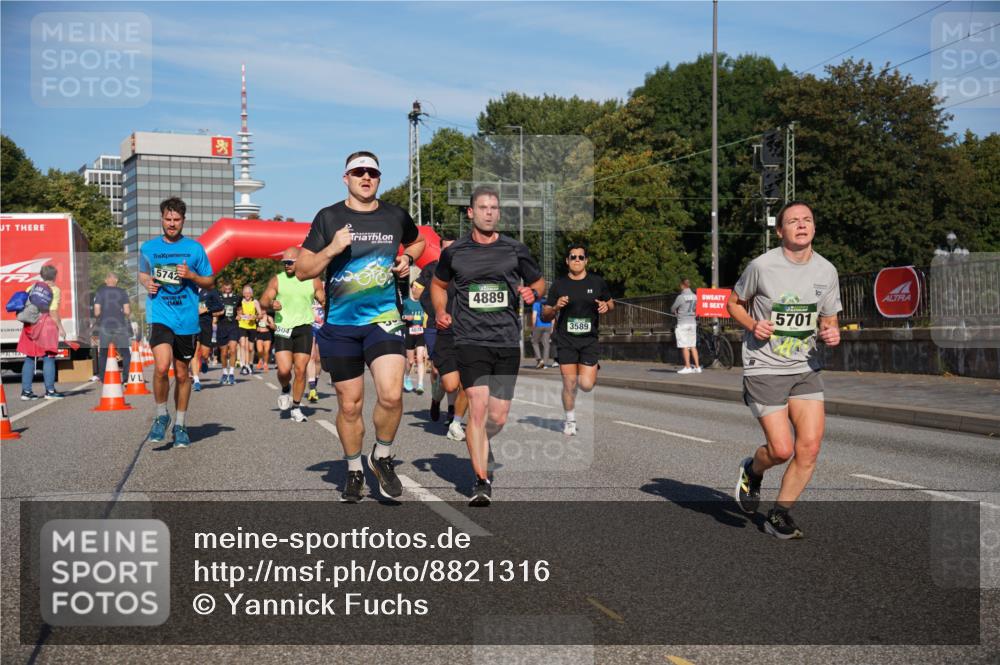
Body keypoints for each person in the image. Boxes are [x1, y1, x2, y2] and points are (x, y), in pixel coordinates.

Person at [296, 150, 425, 503]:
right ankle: (354, 469)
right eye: (358, 172)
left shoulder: (395, 215)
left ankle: (381, 457)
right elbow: (304, 269)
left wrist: (408, 258)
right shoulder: (329, 217)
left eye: (371, 172)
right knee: (350, 405)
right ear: (346, 178)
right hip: (341, 325)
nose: (365, 177)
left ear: (379, 178)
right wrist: (332, 249)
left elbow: (419, 239)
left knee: (392, 394)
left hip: (383, 320)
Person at [728, 201, 842, 539]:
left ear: (814, 228)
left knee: (810, 447)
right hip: (764, 367)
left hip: (805, 367)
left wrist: (831, 331)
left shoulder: (827, 271)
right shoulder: (761, 267)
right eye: (793, 221)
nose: (802, 225)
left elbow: (828, 317)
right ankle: (753, 469)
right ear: (780, 231)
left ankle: (779, 514)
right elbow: (733, 303)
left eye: (807, 219)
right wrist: (752, 324)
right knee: (781, 449)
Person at [432, 185, 545, 506]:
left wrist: (532, 293)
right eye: (483, 208)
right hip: (469, 340)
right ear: (471, 212)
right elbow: (439, 285)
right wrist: (441, 311)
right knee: (478, 411)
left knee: (498, 417)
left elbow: (538, 281)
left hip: (507, 341)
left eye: (494, 208)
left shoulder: (514, 249)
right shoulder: (455, 252)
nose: (489, 213)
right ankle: (481, 480)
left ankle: (483, 443)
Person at [139, 197, 214, 448]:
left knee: (182, 374)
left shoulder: (195, 249)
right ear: (161, 219)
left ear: (183, 221)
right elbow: (141, 272)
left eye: (176, 220)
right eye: (168, 219)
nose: (172, 224)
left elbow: (210, 281)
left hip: (187, 320)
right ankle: (161, 416)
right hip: (160, 315)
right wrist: (145, 282)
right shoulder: (148, 248)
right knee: (161, 367)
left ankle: (180, 424)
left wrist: (192, 275)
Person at [542, 245, 613, 437]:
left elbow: (610, 302)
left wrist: (606, 306)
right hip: (566, 340)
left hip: (589, 340)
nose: (577, 260)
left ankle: (590, 368)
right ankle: (570, 420)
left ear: (586, 260)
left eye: (581, 257)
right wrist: (555, 306)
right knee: (569, 384)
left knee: (587, 385)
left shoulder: (597, 283)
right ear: (567, 260)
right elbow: (545, 314)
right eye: (573, 257)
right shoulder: (559, 285)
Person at [260, 247, 325, 424]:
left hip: (304, 328)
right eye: (284, 263)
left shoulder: (313, 280)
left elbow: (324, 300)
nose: (286, 265)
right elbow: (264, 300)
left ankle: (296, 407)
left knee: (301, 370)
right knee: (283, 370)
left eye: (290, 262)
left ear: (300, 262)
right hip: (282, 329)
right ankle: (285, 387)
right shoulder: (278, 280)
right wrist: (271, 303)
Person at [413, 234, 467, 440]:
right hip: (436, 325)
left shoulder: (466, 270)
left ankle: (453, 410)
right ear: (440, 249)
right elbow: (416, 293)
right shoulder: (431, 269)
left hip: (462, 329)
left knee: (462, 374)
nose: (450, 252)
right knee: (438, 371)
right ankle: (437, 399)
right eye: (446, 248)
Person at [18, 265, 67, 400]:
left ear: (42, 275)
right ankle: (50, 391)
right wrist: (61, 328)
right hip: (46, 326)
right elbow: (52, 311)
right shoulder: (54, 290)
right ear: (55, 276)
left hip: (30, 325)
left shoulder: (32, 287)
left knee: (29, 358)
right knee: (49, 358)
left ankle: (26, 392)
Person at [93, 271, 132, 381]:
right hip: (120, 325)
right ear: (116, 280)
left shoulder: (100, 292)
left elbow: (96, 311)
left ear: (106, 281)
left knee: (103, 353)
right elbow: (127, 311)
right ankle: (126, 378)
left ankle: (103, 378)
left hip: (105, 326)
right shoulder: (123, 292)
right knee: (125, 353)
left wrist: (100, 316)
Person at [191, 285, 223, 391]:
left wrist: (206, 309)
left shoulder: (211, 291)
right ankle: (196, 380)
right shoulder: (188, 290)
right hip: (192, 324)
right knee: (194, 353)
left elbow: (220, 306)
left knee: (204, 353)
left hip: (206, 324)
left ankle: (204, 360)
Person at [670, 278, 700, 374]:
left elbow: (672, 308)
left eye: (680, 286)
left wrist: (675, 312)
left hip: (683, 323)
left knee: (684, 346)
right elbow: (696, 309)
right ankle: (697, 367)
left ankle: (687, 367)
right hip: (692, 323)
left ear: (683, 285)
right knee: (692, 346)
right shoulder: (695, 296)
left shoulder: (681, 297)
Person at [401, 284, 427, 395]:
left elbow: (424, 316)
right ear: (412, 289)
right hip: (409, 332)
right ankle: (406, 377)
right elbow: (401, 315)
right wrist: (405, 317)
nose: (418, 291)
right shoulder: (406, 302)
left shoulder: (424, 302)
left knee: (420, 359)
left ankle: (420, 384)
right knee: (410, 361)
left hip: (420, 332)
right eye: (416, 288)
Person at [216, 280, 240, 385]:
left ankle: (232, 374)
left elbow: (240, 309)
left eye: (229, 289)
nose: (227, 291)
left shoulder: (237, 298)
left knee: (233, 349)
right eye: (225, 289)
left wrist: (240, 314)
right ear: (222, 289)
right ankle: (225, 373)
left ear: (232, 288)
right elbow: (212, 312)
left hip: (233, 326)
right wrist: (219, 313)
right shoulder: (218, 298)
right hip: (222, 326)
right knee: (224, 352)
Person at [237, 285, 260, 375]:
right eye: (245, 293)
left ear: (252, 294)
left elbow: (260, 314)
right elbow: (237, 314)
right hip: (242, 325)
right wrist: (238, 317)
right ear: (243, 294)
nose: (247, 294)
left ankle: (250, 364)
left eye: (249, 293)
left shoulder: (255, 302)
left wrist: (254, 316)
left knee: (250, 348)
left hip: (252, 326)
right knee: (243, 345)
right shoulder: (240, 302)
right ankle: (243, 365)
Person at [531, 296, 553, 369]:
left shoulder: (536, 304)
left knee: (534, 342)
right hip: (548, 325)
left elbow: (534, 316)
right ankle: (545, 363)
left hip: (538, 325)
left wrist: (533, 327)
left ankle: (539, 359)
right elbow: (552, 316)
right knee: (546, 344)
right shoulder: (549, 304)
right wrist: (552, 327)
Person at [255, 307, 274, 372]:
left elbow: (274, 327)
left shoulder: (269, 318)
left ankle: (265, 364)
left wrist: (268, 324)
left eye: (263, 310)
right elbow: (253, 326)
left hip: (267, 334)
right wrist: (256, 328)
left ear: (266, 310)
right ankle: (260, 360)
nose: (262, 311)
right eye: (261, 310)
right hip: (259, 334)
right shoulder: (257, 318)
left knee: (266, 351)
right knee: (259, 350)